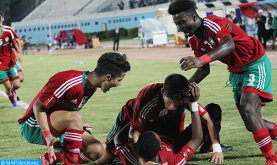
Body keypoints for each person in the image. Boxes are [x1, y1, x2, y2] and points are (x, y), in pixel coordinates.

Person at [168, 0, 276, 164]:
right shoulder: (194, 40)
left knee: (248, 110)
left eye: (182, 22)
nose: (180, 27)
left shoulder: (215, 23)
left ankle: (272, 159)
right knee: (251, 122)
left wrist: (201, 59)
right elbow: (204, 69)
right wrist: (183, 89)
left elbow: (229, 45)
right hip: (235, 71)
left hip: (254, 63)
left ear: (194, 17)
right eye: (177, 24)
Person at [18, 52, 131, 165]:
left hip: (54, 124)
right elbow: (38, 106)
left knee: (97, 150)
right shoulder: (69, 82)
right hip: (33, 125)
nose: (119, 84)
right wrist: (48, 135)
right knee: (76, 117)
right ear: (108, 77)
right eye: (119, 79)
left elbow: (64, 111)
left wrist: (75, 125)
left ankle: (51, 158)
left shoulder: (91, 88)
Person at [96, 74, 230, 164]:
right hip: (140, 118)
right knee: (106, 157)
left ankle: (209, 146)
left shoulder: (178, 97)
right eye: (170, 101)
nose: (173, 106)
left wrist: (142, 162)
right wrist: (193, 103)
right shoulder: (147, 99)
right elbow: (196, 138)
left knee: (106, 157)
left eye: (177, 103)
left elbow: (122, 138)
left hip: (150, 126)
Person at [109, 82, 202, 165]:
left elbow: (118, 139)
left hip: (150, 122)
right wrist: (193, 103)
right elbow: (196, 139)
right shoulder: (173, 161)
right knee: (212, 111)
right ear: (160, 148)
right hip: (175, 138)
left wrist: (139, 121)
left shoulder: (131, 158)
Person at [0, 12, 21, 108]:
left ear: (2, 19)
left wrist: (19, 53)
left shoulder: (8, 30)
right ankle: (13, 103)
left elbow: (16, 40)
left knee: (17, 85)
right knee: (8, 87)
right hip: (0, 65)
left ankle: (10, 92)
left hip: (10, 62)